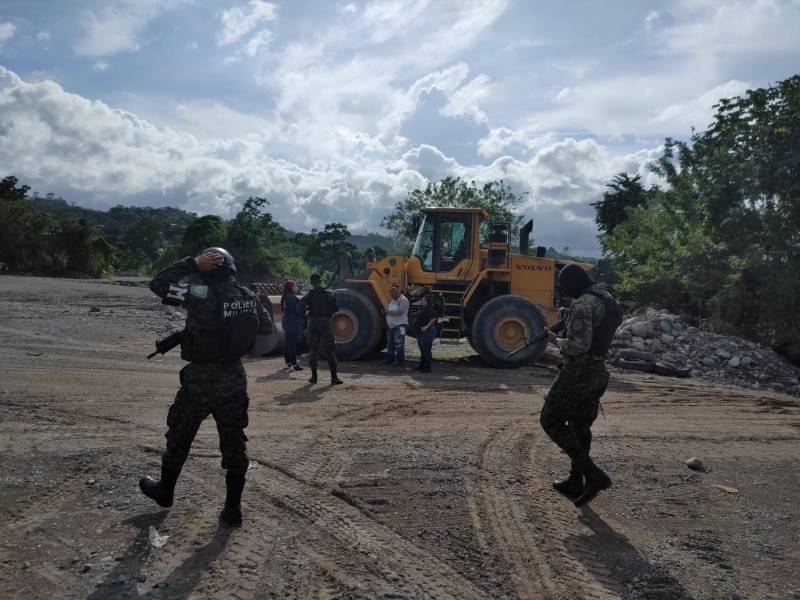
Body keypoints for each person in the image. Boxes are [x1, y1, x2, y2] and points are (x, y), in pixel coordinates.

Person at [140, 247, 273, 526]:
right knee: (234, 443)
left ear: (207, 268)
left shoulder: (200, 294)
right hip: (235, 380)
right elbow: (265, 329)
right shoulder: (248, 296)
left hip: (201, 379)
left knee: (180, 435)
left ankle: (165, 492)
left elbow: (158, 284)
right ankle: (232, 510)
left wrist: (192, 264)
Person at [540, 263, 623, 507]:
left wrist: (556, 340)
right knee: (579, 424)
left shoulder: (583, 305)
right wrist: (574, 318)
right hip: (598, 372)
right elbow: (598, 326)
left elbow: (578, 346)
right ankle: (576, 481)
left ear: (573, 284)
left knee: (550, 420)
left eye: (565, 287)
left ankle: (593, 474)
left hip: (578, 371)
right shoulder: (605, 297)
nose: (565, 292)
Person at [298, 273, 342, 385]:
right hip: (326, 322)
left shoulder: (309, 295)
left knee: (313, 350)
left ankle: (314, 377)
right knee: (330, 350)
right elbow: (337, 308)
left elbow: (300, 308)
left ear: (312, 282)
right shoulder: (328, 294)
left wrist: (305, 315)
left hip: (313, 322)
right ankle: (334, 377)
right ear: (320, 281)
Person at [384, 284, 410, 366]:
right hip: (392, 326)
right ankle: (389, 360)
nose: (392, 295)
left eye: (394, 294)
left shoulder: (403, 300)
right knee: (390, 344)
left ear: (398, 291)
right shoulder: (392, 300)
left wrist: (387, 312)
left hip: (400, 326)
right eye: (391, 294)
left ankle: (399, 361)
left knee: (399, 344)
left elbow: (400, 312)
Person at [280, 280, 303, 372]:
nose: (297, 287)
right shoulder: (291, 297)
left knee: (289, 342)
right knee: (292, 343)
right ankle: (294, 363)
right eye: (295, 286)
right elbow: (296, 310)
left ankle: (288, 362)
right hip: (292, 321)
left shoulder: (286, 296)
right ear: (290, 287)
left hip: (287, 321)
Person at [414, 295, 438, 373]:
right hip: (420, 332)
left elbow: (434, 318)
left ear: (427, 301)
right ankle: (422, 365)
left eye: (424, 300)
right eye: (422, 300)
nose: (422, 301)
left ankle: (427, 367)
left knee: (426, 350)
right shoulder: (423, 308)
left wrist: (426, 327)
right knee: (422, 350)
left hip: (428, 332)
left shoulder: (429, 309)